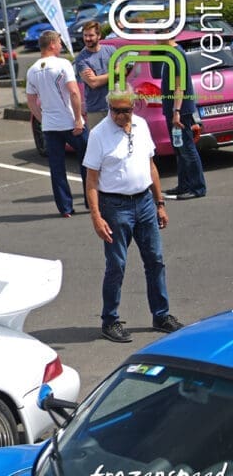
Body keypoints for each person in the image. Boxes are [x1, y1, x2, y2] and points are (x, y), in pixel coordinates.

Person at [83, 86, 184, 343]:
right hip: (115, 207)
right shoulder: (98, 135)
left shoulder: (141, 126)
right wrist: (96, 217)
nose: (119, 116)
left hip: (145, 203)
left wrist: (160, 202)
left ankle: (161, 315)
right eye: (115, 110)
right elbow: (91, 180)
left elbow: (151, 166)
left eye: (125, 110)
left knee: (156, 260)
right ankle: (110, 321)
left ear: (133, 106)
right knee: (116, 265)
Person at [26, 30, 88, 217]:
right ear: (52, 44)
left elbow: (31, 101)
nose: (61, 46)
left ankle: (65, 208)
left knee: (57, 167)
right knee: (89, 161)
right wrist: (78, 118)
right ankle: (93, 201)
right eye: (59, 42)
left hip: (50, 126)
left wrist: (43, 119)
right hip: (70, 122)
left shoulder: (32, 69)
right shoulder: (62, 64)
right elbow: (74, 93)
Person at [161, 36, 206, 200]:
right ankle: (184, 185)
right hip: (174, 109)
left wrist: (176, 111)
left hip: (180, 110)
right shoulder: (171, 53)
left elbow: (179, 86)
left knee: (187, 149)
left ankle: (198, 187)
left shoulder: (176, 55)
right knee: (179, 149)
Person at [75, 21, 117, 130]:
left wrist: (99, 78)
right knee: (98, 145)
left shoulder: (111, 50)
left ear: (99, 36)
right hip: (95, 110)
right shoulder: (81, 59)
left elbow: (122, 72)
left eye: (91, 35)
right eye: (85, 35)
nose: (87, 39)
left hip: (115, 106)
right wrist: (114, 74)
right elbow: (93, 83)